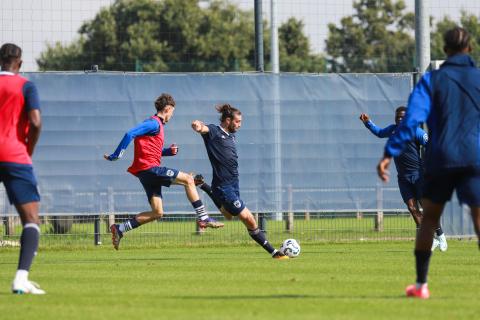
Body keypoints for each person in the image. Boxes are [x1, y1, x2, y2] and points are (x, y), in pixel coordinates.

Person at [377, 27, 480, 299]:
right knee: (479, 217)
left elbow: (411, 120)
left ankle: (421, 285)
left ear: (445, 51)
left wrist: (388, 155)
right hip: (473, 155)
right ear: (469, 49)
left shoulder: (432, 79)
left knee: (428, 219)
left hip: (441, 156)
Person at [104, 93, 223, 250]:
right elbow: (129, 133)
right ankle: (204, 217)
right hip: (150, 169)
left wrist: (168, 152)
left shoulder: (156, 126)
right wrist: (116, 155)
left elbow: (151, 150)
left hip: (146, 173)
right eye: (172, 112)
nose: (172, 116)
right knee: (188, 179)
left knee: (157, 212)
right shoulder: (153, 123)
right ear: (167, 109)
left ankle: (120, 229)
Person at [191, 104, 288, 259]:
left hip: (233, 184)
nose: (239, 125)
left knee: (229, 215)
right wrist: (197, 125)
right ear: (228, 120)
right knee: (249, 219)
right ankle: (274, 252)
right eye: (237, 122)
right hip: (224, 187)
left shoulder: (231, 136)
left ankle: (203, 185)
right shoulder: (214, 131)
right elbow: (203, 128)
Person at [360, 108, 447, 251]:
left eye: (402, 117)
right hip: (403, 178)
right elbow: (379, 132)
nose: (399, 120)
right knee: (412, 208)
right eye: (397, 117)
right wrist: (367, 122)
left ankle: (440, 235)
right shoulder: (392, 130)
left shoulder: (416, 131)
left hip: (418, 176)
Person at [0, 43, 45, 294]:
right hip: (15, 156)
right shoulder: (25, 85)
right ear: (19, 62)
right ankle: (20, 279)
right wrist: (28, 149)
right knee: (31, 219)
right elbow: (36, 121)